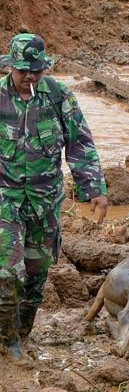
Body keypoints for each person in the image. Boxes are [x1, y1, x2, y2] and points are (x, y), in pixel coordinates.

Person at [0, 33, 108, 365]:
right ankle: (8, 344)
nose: (29, 77)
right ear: (11, 68)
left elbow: (80, 144)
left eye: (36, 70)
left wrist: (94, 190)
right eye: (23, 71)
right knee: (7, 272)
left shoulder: (60, 96)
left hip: (45, 203)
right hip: (6, 199)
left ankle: (22, 333)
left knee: (35, 275)